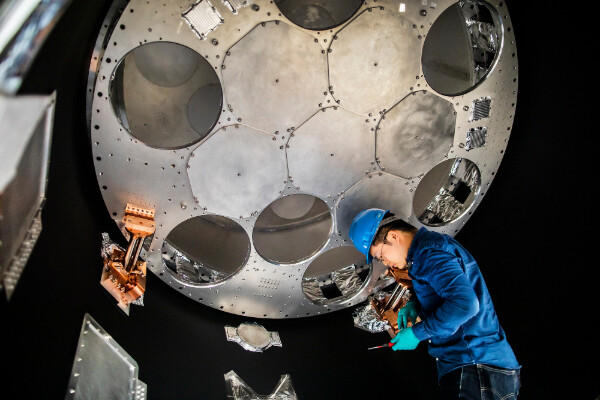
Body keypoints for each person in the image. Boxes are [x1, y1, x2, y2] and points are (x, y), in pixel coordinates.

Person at [349, 208, 521, 399]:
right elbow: (447, 291)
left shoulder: (429, 253)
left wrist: (417, 333)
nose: (386, 263)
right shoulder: (425, 253)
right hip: (477, 367)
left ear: (393, 236)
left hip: (474, 365)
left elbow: (465, 304)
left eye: (381, 255)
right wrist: (416, 303)